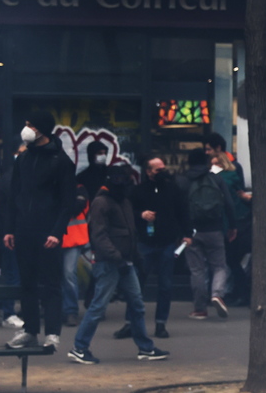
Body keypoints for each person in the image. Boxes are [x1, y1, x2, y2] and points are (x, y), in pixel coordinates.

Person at [68, 165, 169, 364]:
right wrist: (120, 258)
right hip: (110, 263)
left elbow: (128, 232)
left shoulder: (121, 200)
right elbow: (99, 236)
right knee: (99, 306)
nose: (125, 183)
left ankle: (145, 348)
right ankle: (79, 347)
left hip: (123, 261)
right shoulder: (102, 202)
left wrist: (134, 258)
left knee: (137, 305)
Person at [4, 110, 76, 349]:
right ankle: (30, 330)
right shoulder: (23, 158)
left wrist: (57, 232)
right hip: (24, 229)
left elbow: (67, 202)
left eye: (29, 124)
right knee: (28, 283)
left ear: (40, 129)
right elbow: (16, 195)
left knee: (51, 283)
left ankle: (53, 333)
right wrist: (10, 228)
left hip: (48, 232)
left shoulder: (61, 161)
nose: (25, 128)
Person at [116, 155, 189, 340]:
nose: (162, 173)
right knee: (136, 284)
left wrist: (187, 234)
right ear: (148, 172)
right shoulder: (138, 191)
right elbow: (126, 211)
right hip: (145, 243)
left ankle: (160, 323)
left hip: (166, 242)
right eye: (158, 170)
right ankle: (130, 323)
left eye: (163, 168)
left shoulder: (173, 189)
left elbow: (183, 211)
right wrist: (141, 214)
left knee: (165, 285)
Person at [180, 149, 235, 320]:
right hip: (214, 229)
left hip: (191, 231)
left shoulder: (183, 181)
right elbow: (229, 204)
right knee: (219, 266)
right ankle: (217, 293)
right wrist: (232, 226)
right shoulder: (216, 179)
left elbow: (178, 208)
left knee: (197, 270)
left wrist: (181, 231)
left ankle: (200, 309)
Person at [0, 140, 25, 330]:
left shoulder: (10, 177)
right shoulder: (14, 180)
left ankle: (1, 306)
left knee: (11, 271)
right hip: (11, 234)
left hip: (6, 233)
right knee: (14, 273)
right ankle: (9, 313)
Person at [212, 151, 252, 308]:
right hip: (240, 224)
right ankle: (239, 292)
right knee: (233, 262)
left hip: (231, 225)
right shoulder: (233, 179)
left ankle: (239, 292)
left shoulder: (220, 181)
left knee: (231, 261)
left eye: (216, 164)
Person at [60, 182, 90, 327]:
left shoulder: (79, 188)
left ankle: (71, 311)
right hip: (54, 239)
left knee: (68, 274)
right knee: (55, 275)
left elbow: (76, 207)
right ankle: (57, 309)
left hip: (73, 239)